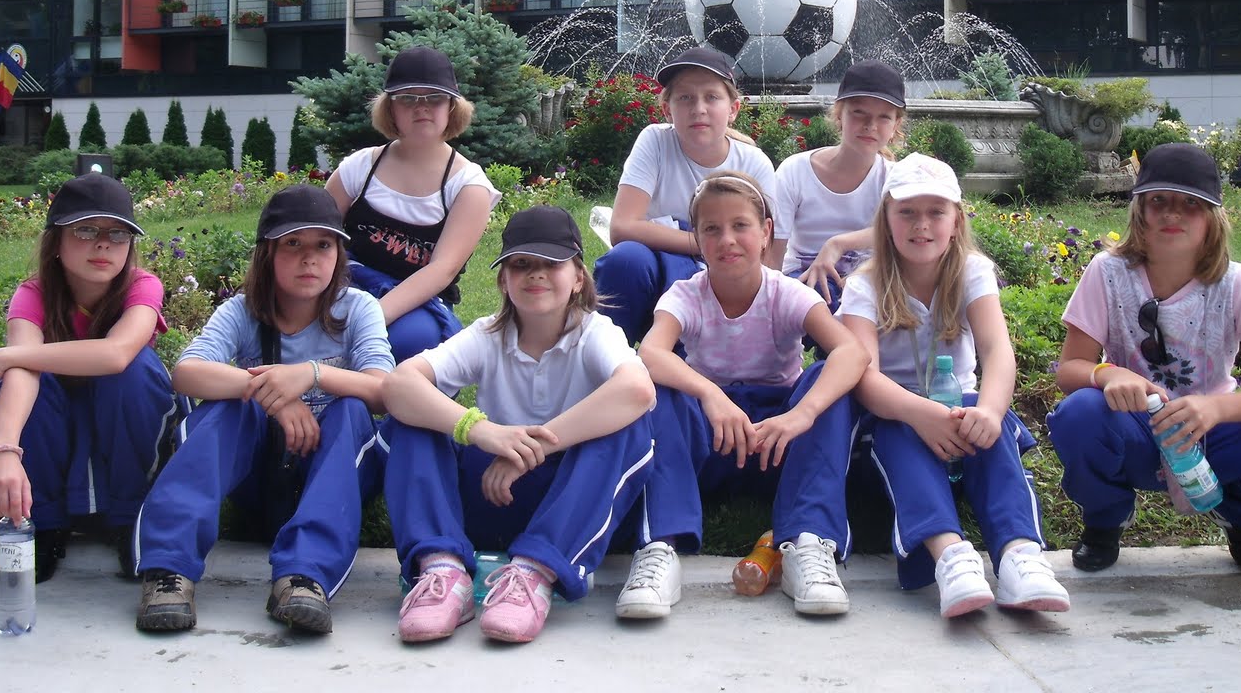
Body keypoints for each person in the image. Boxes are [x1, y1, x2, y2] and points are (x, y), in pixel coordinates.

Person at [1047, 142, 1241, 576]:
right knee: (1080, 414)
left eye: (1190, 204)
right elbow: (1070, 369)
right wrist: (1107, 374)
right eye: (1158, 200)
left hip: (1214, 433)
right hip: (1138, 427)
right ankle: (1105, 518)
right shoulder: (1107, 272)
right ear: (1140, 210)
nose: (1172, 214)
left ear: (1212, 217)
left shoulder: (1236, 284)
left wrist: (1215, 408)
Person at [379, 205, 655, 645]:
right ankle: (441, 571)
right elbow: (398, 385)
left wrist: (534, 449)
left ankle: (534, 574)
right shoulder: (487, 334)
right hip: (493, 494)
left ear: (578, 277)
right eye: (521, 264)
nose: (536, 274)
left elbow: (638, 390)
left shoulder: (595, 332)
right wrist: (481, 430)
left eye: (552, 263)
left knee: (628, 425)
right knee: (412, 420)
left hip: (573, 502)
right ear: (503, 280)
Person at [133, 184, 393, 634]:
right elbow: (187, 373)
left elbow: (384, 390)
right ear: (267, 253)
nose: (309, 258)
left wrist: (312, 374)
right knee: (227, 408)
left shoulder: (357, 308)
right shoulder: (243, 311)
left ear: (338, 255)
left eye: (323, 245)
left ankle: (305, 574)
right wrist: (272, 395)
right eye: (292, 244)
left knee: (352, 409)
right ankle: (168, 568)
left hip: (332, 477)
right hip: (262, 476)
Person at [616, 171, 867, 620]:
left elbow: (852, 352)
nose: (727, 240)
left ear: (766, 231)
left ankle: (808, 542)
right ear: (696, 238)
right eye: (711, 229)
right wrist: (709, 394)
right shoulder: (686, 295)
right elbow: (650, 352)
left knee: (826, 380)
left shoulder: (786, 293)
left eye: (740, 226)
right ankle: (659, 548)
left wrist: (803, 414)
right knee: (660, 388)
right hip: (714, 437)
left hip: (779, 441)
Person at [839, 153, 1071, 618]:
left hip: (960, 417)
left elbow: (997, 351)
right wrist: (920, 412)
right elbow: (863, 376)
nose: (921, 224)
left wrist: (989, 410)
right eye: (907, 211)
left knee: (988, 419)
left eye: (936, 212)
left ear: (957, 220)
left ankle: (1020, 555)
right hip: (894, 422)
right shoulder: (864, 285)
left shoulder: (971, 271)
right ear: (885, 219)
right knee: (897, 424)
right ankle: (950, 557)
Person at [0, 173, 175, 581]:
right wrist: (2, 450)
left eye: (119, 233)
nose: (104, 244)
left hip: (120, 425)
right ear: (56, 240)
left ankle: (130, 519)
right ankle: (39, 522)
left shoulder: (142, 286)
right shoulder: (34, 294)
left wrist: (2, 355)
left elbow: (116, 354)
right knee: (27, 379)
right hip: (54, 430)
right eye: (86, 230)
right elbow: (23, 373)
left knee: (135, 372)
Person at [326, 46, 500, 361]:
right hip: (350, 283)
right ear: (390, 108)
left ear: (452, 107)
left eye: (435, 98)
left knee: (413, 339)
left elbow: (442, 270)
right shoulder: (359, 168)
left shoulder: (469, 186)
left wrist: (371, 319)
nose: (422, 108)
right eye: (407, 98)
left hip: (418, 302)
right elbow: (319, 236)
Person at [594, 45, 776, 344]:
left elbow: (765, 248)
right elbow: (622, 227)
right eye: (685, 98)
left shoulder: (753, 163)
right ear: (668, 110)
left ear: (733, 109)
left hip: (722, 270)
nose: (698, 108)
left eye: (712, 97)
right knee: (625, 260)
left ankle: (689, 358)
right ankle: (608, 357)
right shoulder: (655, 141)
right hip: (654, 268)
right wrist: (702, 243)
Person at [771, 59, 905, 309]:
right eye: (859, 112)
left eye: (884, 117)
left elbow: (902, 230)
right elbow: (773, 251)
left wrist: (838, 244)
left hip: (868, 281)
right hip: (803, 281)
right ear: (839, 113)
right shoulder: (795, 170)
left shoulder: (895, 178)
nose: (870, 125)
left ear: (895, 125)